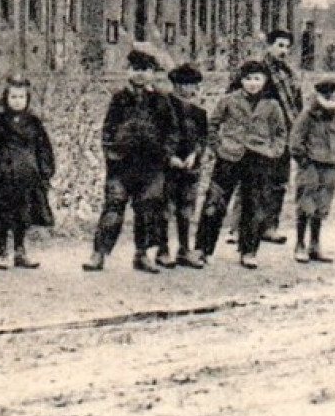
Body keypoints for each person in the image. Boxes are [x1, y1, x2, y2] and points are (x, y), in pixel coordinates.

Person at [85, 47, 179, 274]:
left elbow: (172, 132)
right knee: (113, 208)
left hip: (151, 165)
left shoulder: (161, 100)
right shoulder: (119, 99)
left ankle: (142, 254)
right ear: (128, 71)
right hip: (122, 165)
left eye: (145, 70)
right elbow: (108, 131)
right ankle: (99, 254)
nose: (140, 74)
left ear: (153, 73)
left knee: (147, 208)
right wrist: (111, 155)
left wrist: (164, 155)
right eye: (136, 69)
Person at [196, 60, 288, 269]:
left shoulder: (272, 105)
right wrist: (217, 147)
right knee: (215, 202)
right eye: (248, 79)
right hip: (228, 157)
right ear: (241, 80)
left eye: (257, 78)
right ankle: (203, 248)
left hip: (258, 159)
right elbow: (213, 124)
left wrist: (273, 152)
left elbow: (280, 132)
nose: (252, 83)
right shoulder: (229, 100)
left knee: (254, 206)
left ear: (265, 81)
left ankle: (248, 251)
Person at [0, 76, 55, 270]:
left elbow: (43, 147)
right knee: (3, 216)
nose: (17, 100)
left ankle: (20, 251)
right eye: (13, 96)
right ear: (6, 98)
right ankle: (2, 252)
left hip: (27, 176)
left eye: (21, 97)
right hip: (3, 177)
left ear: (27, 99)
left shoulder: (34, 122)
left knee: (23, 214)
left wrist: (44, 170)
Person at [252, 29, 304, 245]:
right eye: (279, 45)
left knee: (279, 181)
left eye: (286, 46)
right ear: (269, 46)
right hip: (262, 134)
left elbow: (296, 104)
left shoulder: (290, 73)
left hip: (285, 133)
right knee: (256, 180)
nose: (283, 50)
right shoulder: (257, 70)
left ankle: (271, 226)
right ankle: (246, 227)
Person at [156, 63, 209, 269]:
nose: (190, 89)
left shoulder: (199, 112)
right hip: (167, 167)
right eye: (185, 84)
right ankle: (162, 249)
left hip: (190, 168)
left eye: (194, 85)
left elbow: (202, 139)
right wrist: (169, 157)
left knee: (186, 208)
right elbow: (157, 136)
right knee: (165, 208)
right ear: (176, 85)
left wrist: (195, 155)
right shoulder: (163, 107)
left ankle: (185, 249)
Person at [289, 79, 335, 264]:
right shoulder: (307, 117)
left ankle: (315, 245)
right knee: (306, 205)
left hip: (330, 167)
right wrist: (305, 162)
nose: (332, 101)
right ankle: (300, 244)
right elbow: (296, 142)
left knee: (322, 206)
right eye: (328, 97)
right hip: (311, 167)